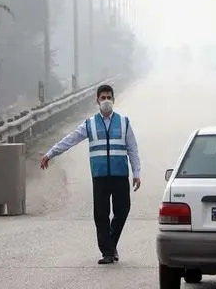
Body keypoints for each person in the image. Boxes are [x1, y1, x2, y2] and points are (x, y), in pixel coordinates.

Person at [39, 84, 141, 265]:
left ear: (114, 100)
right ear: (97, 101)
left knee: (122, 211)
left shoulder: (124, 122)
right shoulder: (90, 124)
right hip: (100, 176)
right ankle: (108, 253)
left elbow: (132, 148)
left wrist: (136, 172)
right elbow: (70, 140)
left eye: (109, 97)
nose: (106, 101)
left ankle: (110, 243)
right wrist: (50, 154)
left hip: (119, 176)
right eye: (103, 98)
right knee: (101, 215)